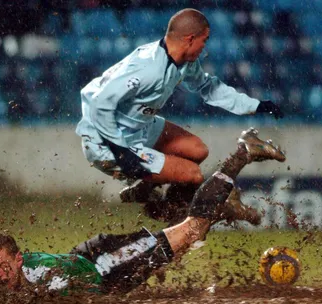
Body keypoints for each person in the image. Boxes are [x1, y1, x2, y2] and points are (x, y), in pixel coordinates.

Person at [0, 128, 285, 293]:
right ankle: (219, 208)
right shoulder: (15, 273)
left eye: (3, 265)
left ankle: (242, 152)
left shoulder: (41, 277)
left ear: (19, 259)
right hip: (96, 262)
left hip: (108, 264)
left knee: (192, 230)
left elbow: (60, 293)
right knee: (183, 238)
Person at [75, 8, 284, 205]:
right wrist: (119, 150)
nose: (205, 47)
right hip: (106, 142)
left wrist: (256, 105)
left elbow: (207, 87)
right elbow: (98, 102)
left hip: (139, 126)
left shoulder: (184, 62)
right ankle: (173, 215)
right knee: (193, 174)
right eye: (205, 40)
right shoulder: (148, 68)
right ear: (190, 39)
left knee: (198, 150)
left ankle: (145, 189)